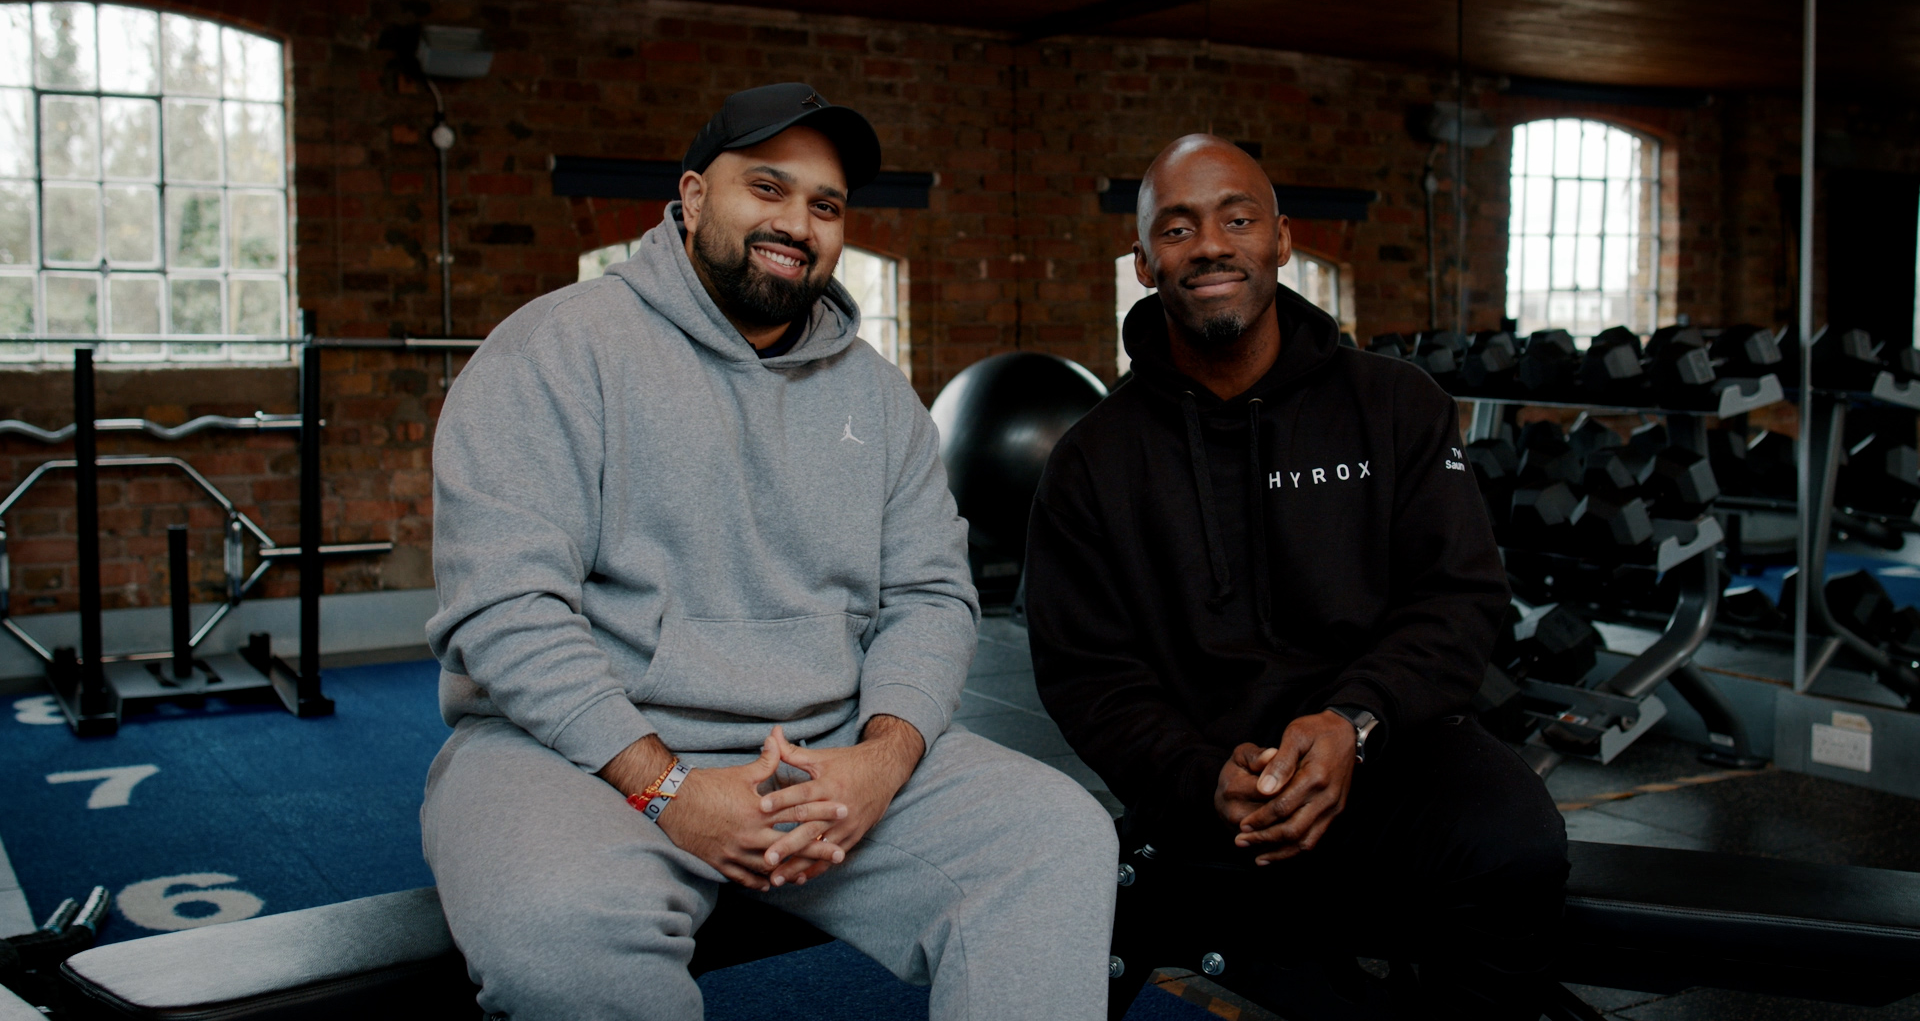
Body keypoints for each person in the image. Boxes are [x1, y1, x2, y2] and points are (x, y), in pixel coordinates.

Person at [423, 83, 1117, 1021]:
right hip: (582, 753)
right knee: (559, 928)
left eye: (824, 205)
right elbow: (506, 610)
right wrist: (664, 785)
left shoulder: (877, 397)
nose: (797, 222)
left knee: (1056, 839)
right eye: (767, 188)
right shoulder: (553, 350)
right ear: (694, 196)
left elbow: (931, 595)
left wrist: (882, 759)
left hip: (827, 755)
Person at [1025, 134, 1567, 1019]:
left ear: (1282, 238)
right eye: (1177, 227)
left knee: (1518, 843)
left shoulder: (1397, 406)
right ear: (1141, 261)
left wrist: (1355, 724)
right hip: (1212, 784)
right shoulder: (1091, 460)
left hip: (1388, 748)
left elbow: (1458, 599)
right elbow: (1089, 675)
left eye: (1236, 219)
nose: (1209, 245)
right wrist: (1201, 776)